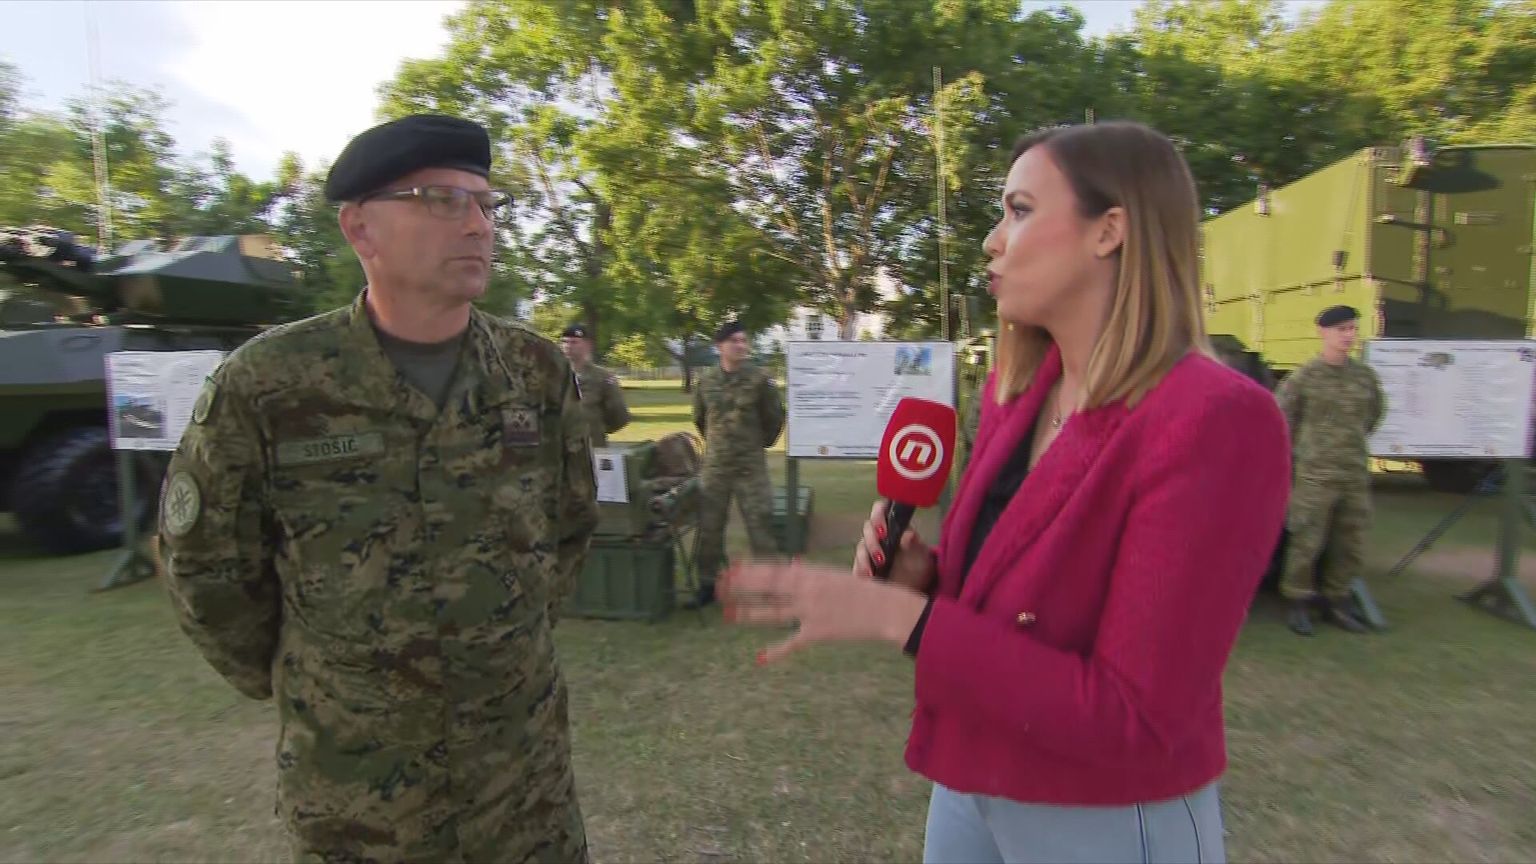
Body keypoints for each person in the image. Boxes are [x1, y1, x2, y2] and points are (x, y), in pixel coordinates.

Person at [719, 121, 1291, 863]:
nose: (992, 241)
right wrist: (929, 584)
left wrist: (899, 618)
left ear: (1109, 231)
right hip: (976, 777)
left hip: (1106, 813)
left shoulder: (1215, 419)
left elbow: (1137, 717)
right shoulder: (1016, 393)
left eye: (1019, 211)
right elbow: (1018, 607)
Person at [156, 113, 600, 863]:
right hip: (361, 803)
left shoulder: (535, 373)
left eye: (487, 203)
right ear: (360, 228)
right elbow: (205, 569)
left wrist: (493, 645)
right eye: (442, 199)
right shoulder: (269, 384)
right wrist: (330, 681)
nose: (479, 225)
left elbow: (569, 527)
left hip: (523, 793)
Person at [1276, 304, 1385, 636]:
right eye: (1341, 330)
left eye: (1352, 329)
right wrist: (1308, 451)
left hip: (1353, 472)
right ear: (1323, 332)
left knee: (1349, 541)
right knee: (1307, 541)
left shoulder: (1364, 377)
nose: (1348, 336)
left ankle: (1338, 601)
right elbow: (1282, 420)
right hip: (1314, 475)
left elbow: (1374, 414)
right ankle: (1298, 601)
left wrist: (1346, 445)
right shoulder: (1304, 378)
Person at [690, 320, 785, 606]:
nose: (741, 346)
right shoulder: (706, 381)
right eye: (734, 341)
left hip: (750, 468)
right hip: (716, 467)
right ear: (720, 346)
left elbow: (774, 418)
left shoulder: (760, 380)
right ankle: (707, 585)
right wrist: (719, 445)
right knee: (709, 528)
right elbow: (700, 418)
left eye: (744, 340)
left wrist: (755, 445)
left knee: (761, 526)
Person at [560, 322, 631, 447]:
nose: (568, 346)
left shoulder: (603, 377)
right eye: (565, 342)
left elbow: (619, 416)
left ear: (587, 345)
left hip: (591, 447)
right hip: (556, 448)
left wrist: (595, 429)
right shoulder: (550, 375)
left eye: (574, 342)